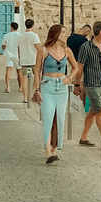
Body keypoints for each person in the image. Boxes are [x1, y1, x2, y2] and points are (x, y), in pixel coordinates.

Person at [33, 24, 80, 163]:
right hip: (47, 84)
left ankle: (55, 147)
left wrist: (69, 78)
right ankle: (47, 150)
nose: (65, 35)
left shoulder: (67, 50)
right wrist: (37, 89)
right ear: (56, 34)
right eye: (63, 32)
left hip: (62, 86)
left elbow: (76, 68)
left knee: (58, 118)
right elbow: (37, 71)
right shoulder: (43, 50)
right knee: (48, 117)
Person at [76, 22, 101, 146]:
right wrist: (77, 85)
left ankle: (83, 137)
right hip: (91, 84)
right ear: (100, 32)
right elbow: (80, 67)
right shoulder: (85, 47)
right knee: (99, 111)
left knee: (93, 112)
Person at [17, 18, 41, 100]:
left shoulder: (20, 36)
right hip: (33, 59)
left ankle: (25, 97)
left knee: (24, 79)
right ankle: (34, 93)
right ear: (33, 26)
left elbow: (18, 49)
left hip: (24, 59)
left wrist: (20, 58)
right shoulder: (34, 35)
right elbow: (38, 47)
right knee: (37, 76)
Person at [2, 22, 21, 93]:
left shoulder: (6, 36)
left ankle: (8, 87)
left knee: (8, 71)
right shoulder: (20, 35)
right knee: (19, 72)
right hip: (17, 55)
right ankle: (20, 87)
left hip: (9, 55)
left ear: (11, 27)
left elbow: (3, 46)